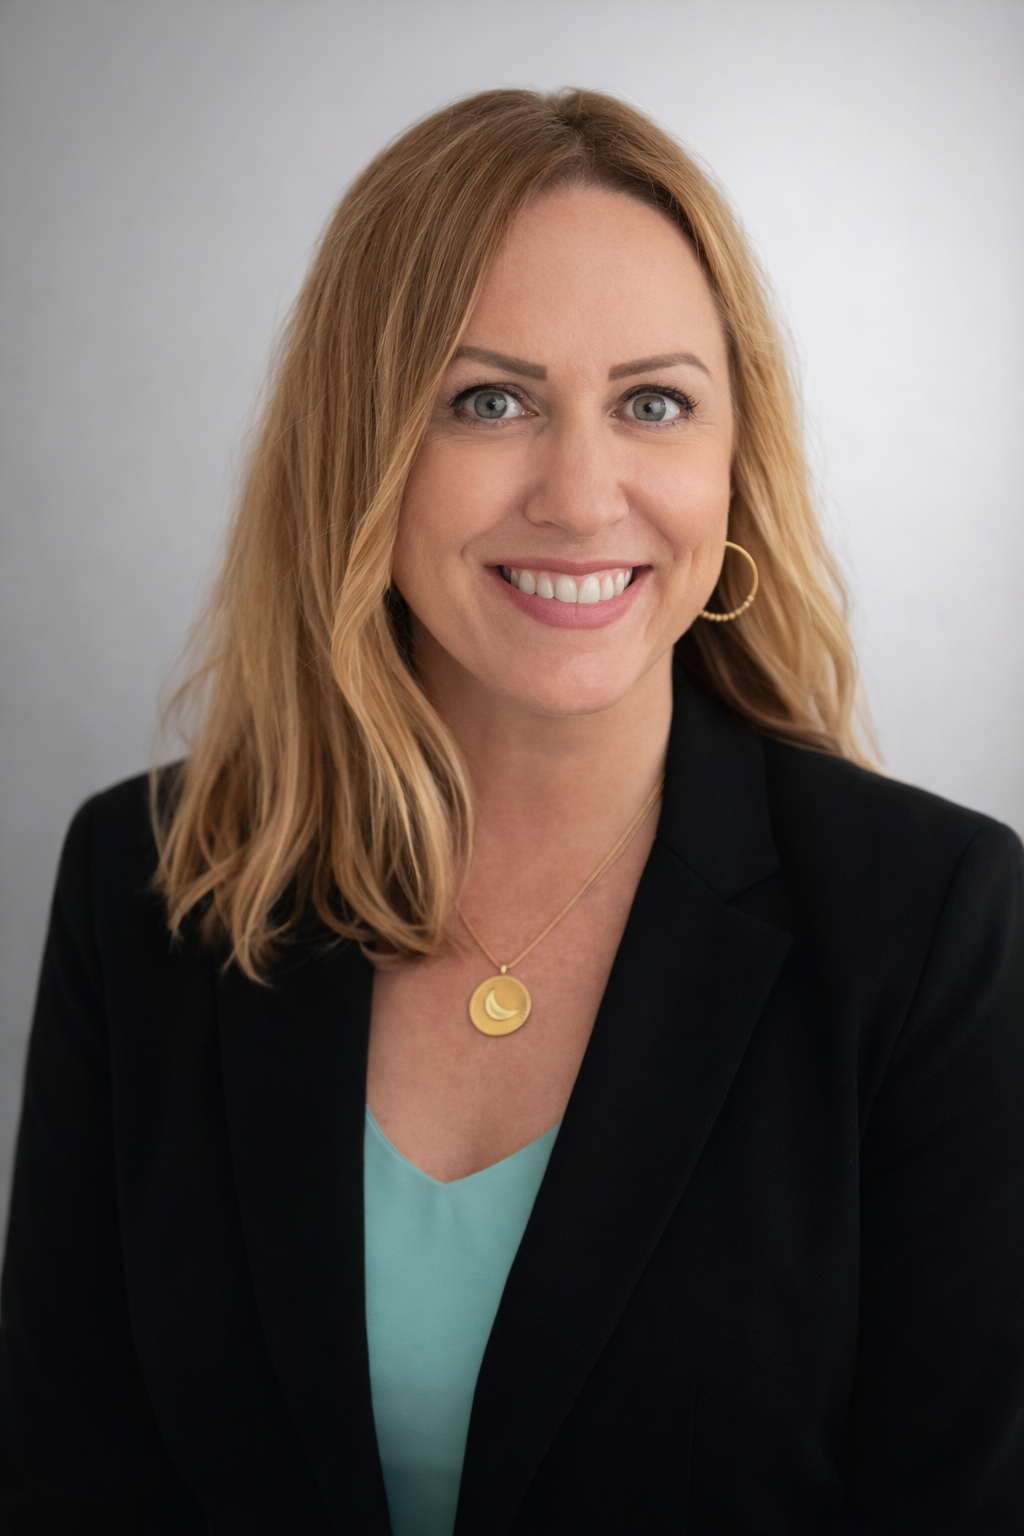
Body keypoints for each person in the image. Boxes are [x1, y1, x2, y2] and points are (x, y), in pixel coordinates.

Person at [1, 87, 1021, 1536]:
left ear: (734, 458)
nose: (582, 492)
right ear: (363, 450)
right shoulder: (145, 883)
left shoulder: (932, 924)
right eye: (490, 400)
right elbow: (70, 1486)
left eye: (653, 403)